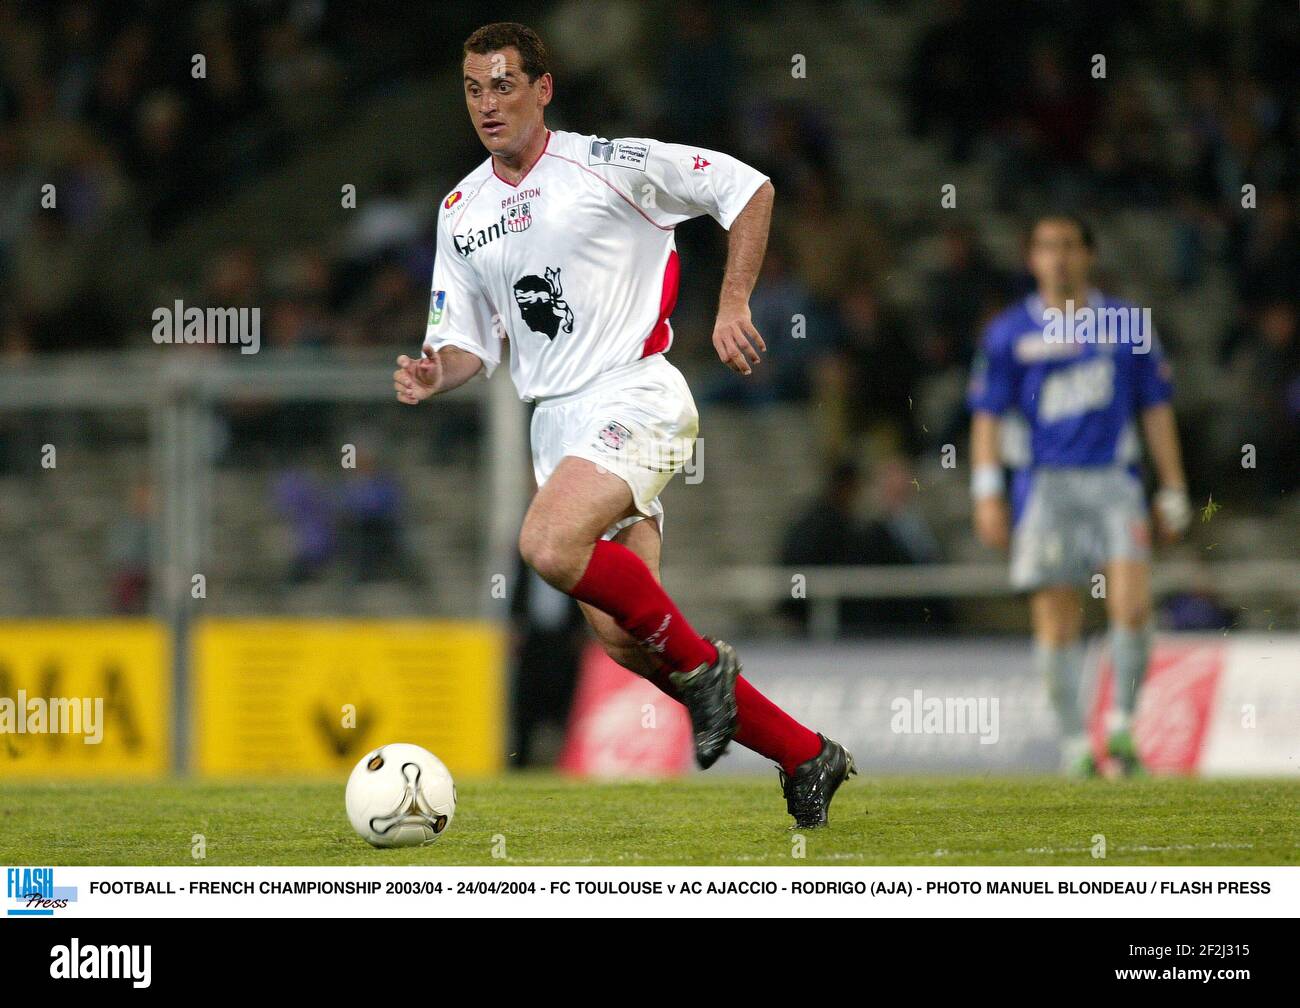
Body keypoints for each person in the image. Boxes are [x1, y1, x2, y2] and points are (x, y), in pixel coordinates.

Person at [392, 22, 853, 826]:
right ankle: (807, 756)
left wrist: (733, 300)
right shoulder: (462, 210)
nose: (487, 104)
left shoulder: (609, 163)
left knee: (545, 544)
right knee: (623, 641)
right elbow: (464, 341)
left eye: (504, 85)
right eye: (473, 89)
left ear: (544, 87)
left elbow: (748, 189)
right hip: (554, 426)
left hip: (635, 394)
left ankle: (707, 675)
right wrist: (437, 370)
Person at [967, 214, 1191, 776]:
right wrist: (988, 490)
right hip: (1044, 486)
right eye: (1047, 247)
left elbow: (1156, 406)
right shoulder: (1008, 332)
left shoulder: (1128, 323)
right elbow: (987, 418)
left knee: (1133, 606)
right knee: (1057, 618)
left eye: (1069, 246)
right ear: (1031, 258)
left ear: (1088, 255)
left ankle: (1120, 725)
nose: (1059, 257)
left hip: (1116, 480)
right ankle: (1073, 744)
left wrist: (1175, 486)